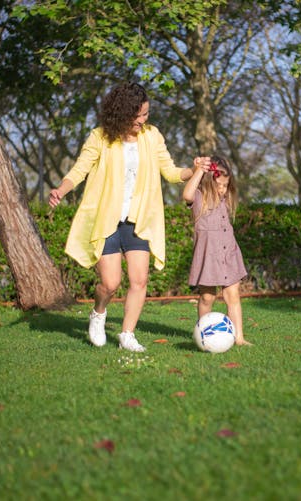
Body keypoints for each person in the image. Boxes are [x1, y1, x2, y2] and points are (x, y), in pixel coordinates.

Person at [49, 81, 210, 350]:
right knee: (110, 283)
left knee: (139, 280)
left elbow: (170, 171)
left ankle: (127, 335)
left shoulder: (152, 136)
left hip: (139, 219)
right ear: (123, 113)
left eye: (146, 114)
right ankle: (99, 312)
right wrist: (62, 189)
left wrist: (193, 170)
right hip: (107, 219)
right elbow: (80, 169)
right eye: (139, 115)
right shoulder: (100, 137)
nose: (144, 120)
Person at [182, 155, 251, 346]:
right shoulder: (198, 197)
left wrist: (224, 188)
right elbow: (186, 194)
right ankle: (204, 335)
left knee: (233, 295)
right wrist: (199, 171)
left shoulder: (225, 199)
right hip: (208, 255)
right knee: (207, 297)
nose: (222, 189)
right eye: (218, 185)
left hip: (229, 251)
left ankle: (239, 338)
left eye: (225, 185)